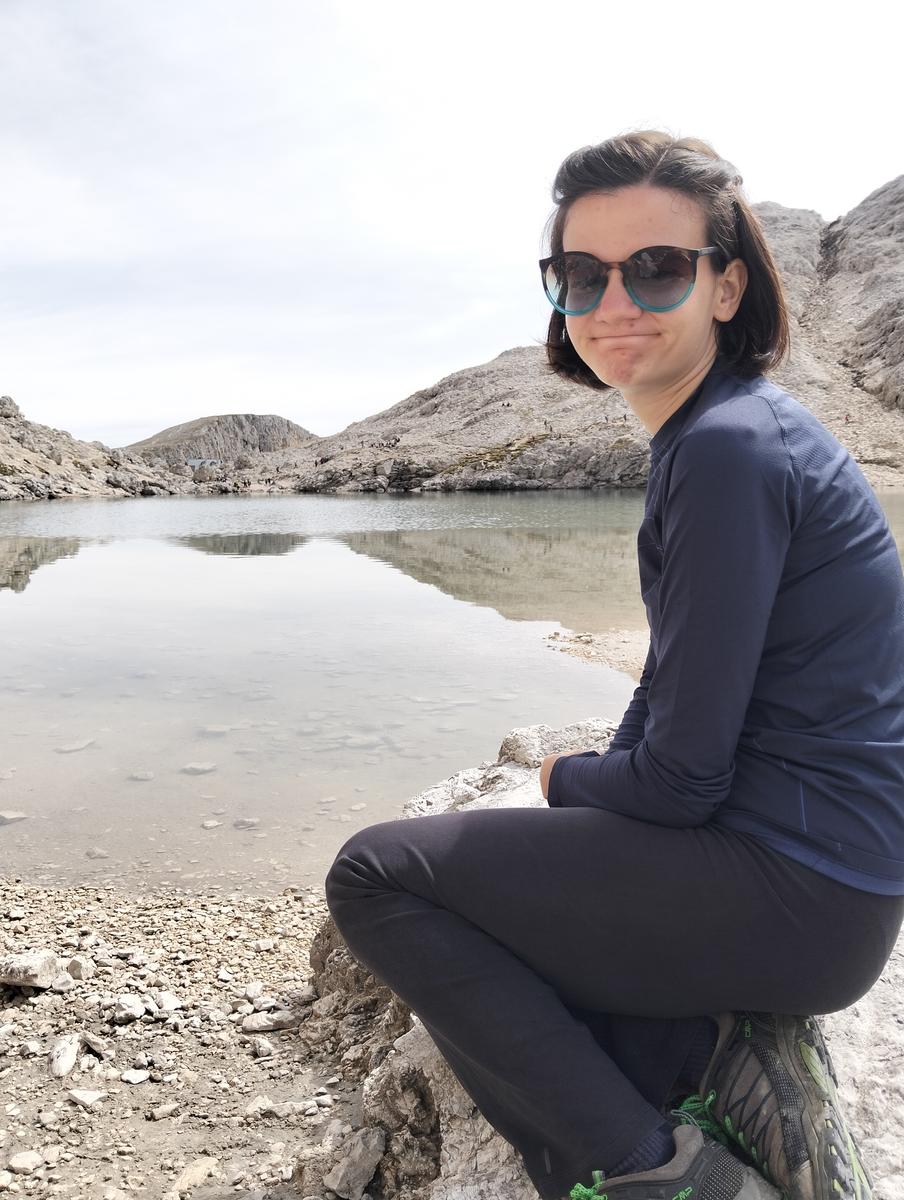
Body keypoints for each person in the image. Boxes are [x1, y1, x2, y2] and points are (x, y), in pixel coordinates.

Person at [324, 130, 904, 1200]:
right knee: (513, 895)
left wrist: (550, 781)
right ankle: (694, 1055)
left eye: (656, 268)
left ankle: (647, 1172)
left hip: (800, 894)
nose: (614, 300)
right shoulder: (722, 434)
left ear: (726, 286)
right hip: (820, 877)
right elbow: (667, 689)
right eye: (580, 276)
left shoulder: (727, 450)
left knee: (376, 876)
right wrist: (593, 791)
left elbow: (680, 782)